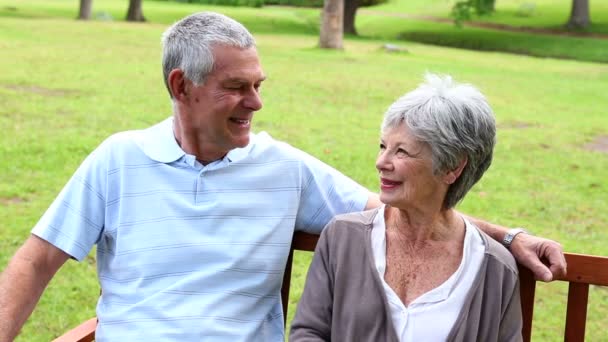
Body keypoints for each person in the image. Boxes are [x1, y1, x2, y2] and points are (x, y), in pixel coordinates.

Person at [0, 12, 564, 342]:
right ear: (181, 87)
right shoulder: (117, 160)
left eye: (259, 84)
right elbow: (34, 262)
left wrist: (509, 238)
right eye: (238, 88)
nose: (256, 102)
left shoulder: (284, 169)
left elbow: (407, 207)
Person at [290, 74, 524, 341]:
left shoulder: (494, 269)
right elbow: (309, 333)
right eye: (383, 146)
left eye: (401, 151)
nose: (381, 162)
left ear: (453, 167)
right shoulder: (343, 237)